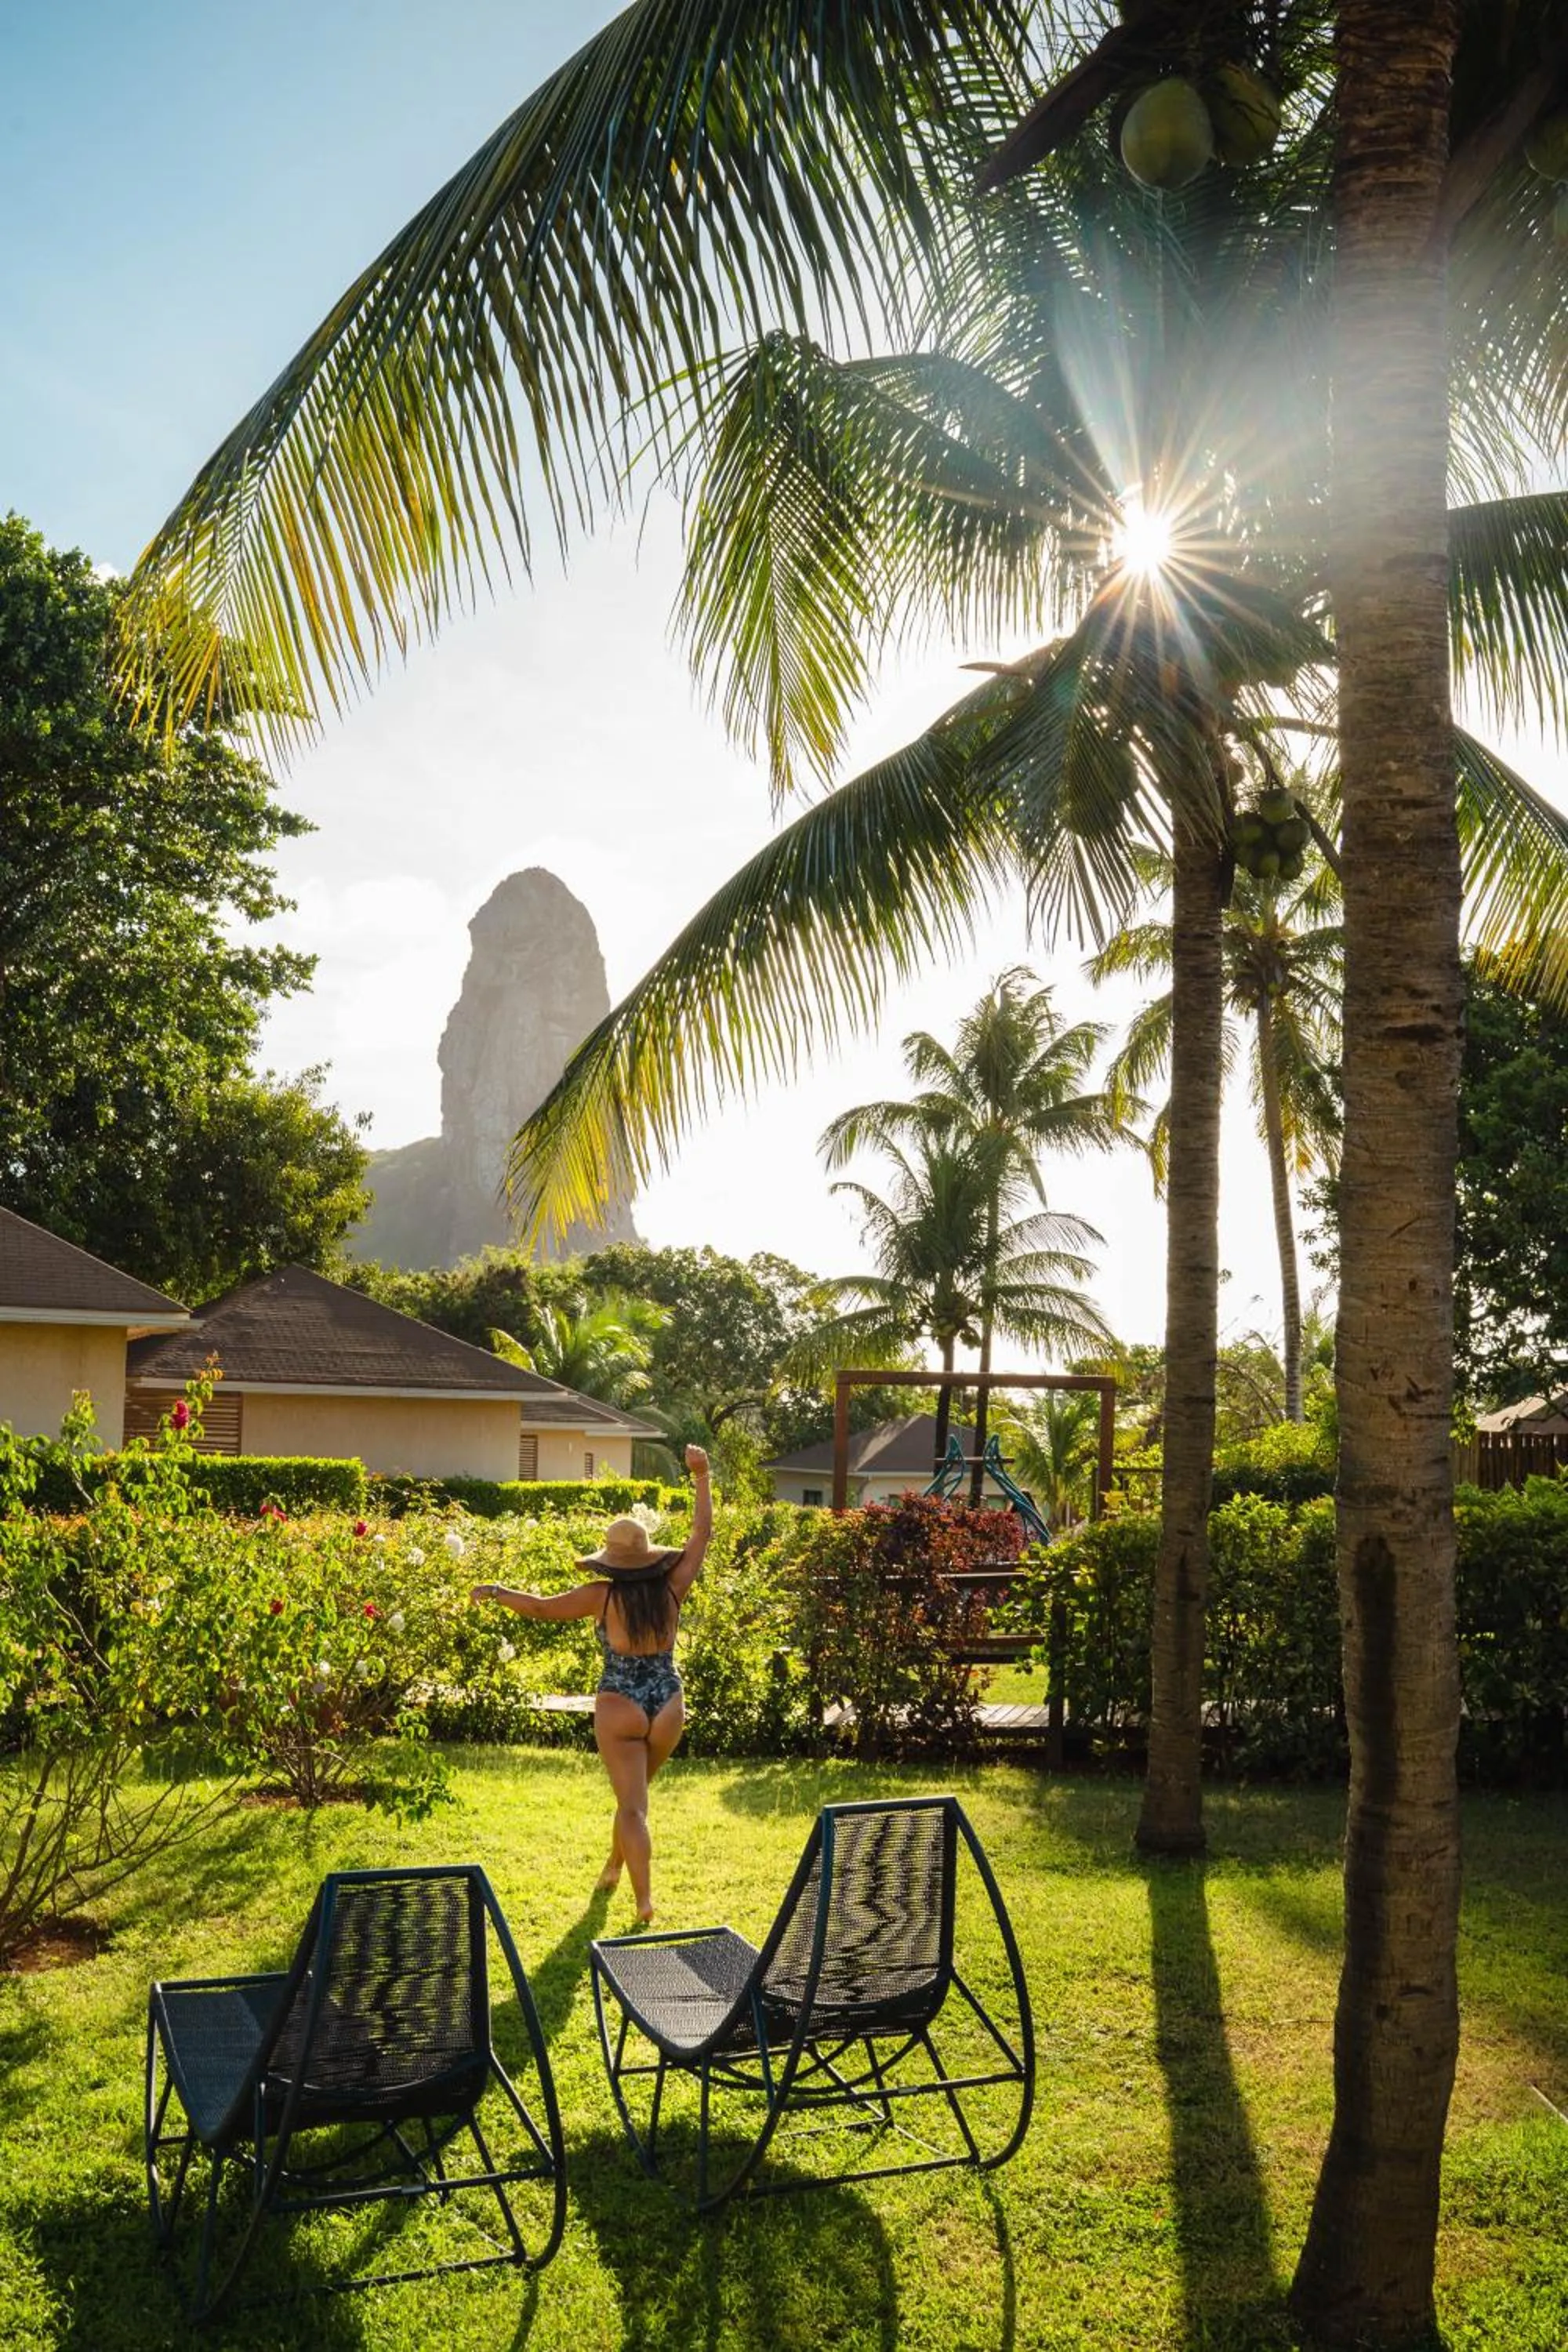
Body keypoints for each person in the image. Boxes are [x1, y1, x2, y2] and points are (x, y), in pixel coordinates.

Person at [470, 1445, 712, 1923]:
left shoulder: (601, 1596)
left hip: (619, 1703)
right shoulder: (672, 1588)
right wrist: (701, 1476)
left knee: (632, 1808)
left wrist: (497, 1592)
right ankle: (613, 1867)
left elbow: (539, 1607)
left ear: (611, 1562)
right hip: (668, 1703)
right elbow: (701, 1535)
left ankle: (644, 1901)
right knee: (634, 1800)